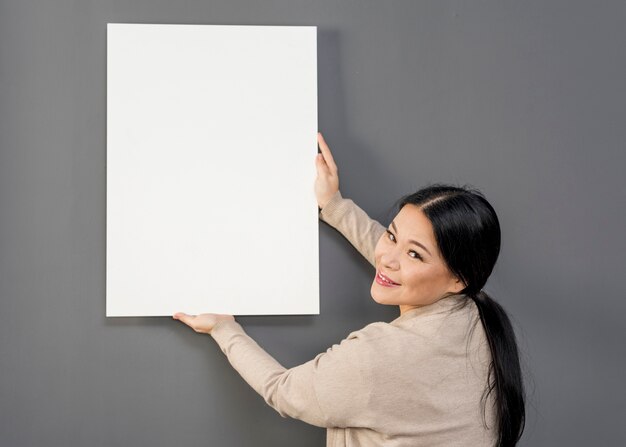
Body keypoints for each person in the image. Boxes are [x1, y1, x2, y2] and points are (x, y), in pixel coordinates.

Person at [173, 132, 526, 446]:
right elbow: (398, 259)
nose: (387, 258)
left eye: (414, 254)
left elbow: (284, 393)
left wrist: (224, 328)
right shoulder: (474, 311)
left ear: (457, 279)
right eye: (392, 233)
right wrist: (335, 206)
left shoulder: (378, 358)